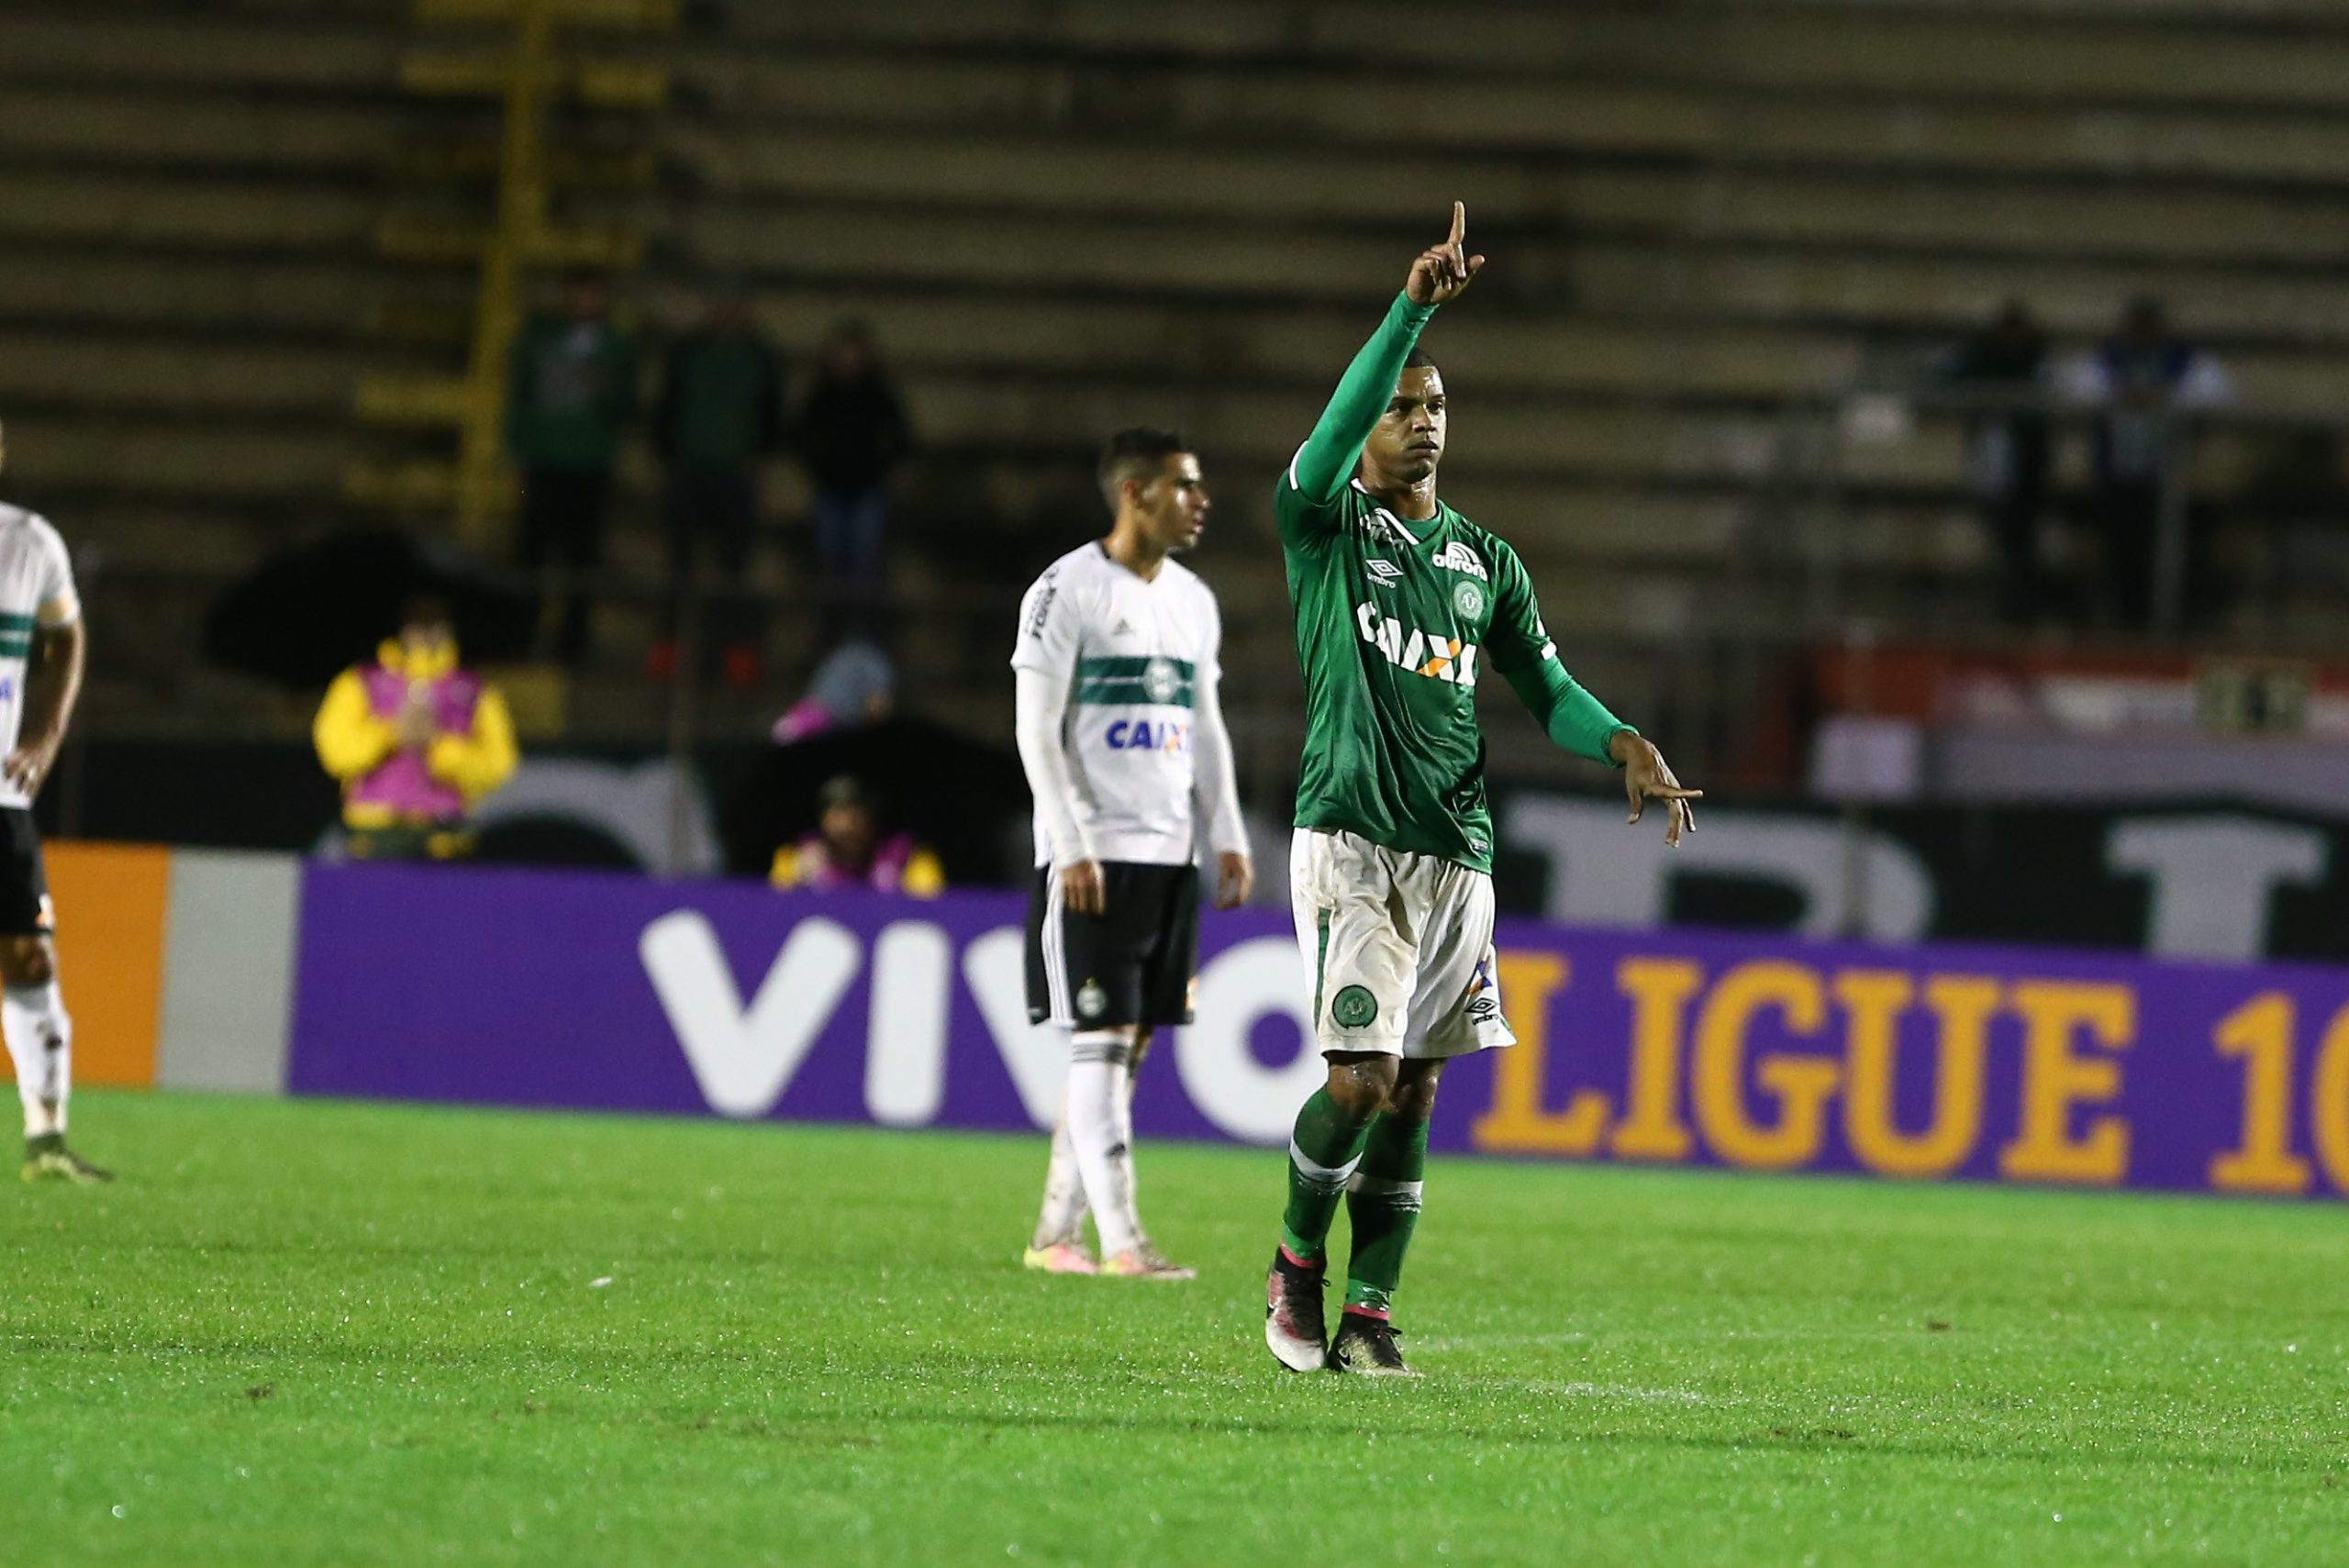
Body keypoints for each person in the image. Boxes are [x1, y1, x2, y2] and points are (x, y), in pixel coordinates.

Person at [1262, 206, 1698, 1376]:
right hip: (1350, 835)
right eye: (1402, 408)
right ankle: (1295, 1258)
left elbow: (1543, 684)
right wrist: (1410, 310)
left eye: (1436, 405)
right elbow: (1331, 430)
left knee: (1412, 1096)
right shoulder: (1322, 525)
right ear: (1365, 429)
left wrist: (1620, 742)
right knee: (1358, 1080)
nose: (1420, 423)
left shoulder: (1484, 562)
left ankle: (1370, 1313)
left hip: (1456, 853)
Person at [1012, 428, 1252, 1281]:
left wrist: (1223, 829)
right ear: (1134, 493)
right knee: (1101, 1041)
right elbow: (1035, 731)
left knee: (1130, 1044)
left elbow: (1206, 726)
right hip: (1093, 853)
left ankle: (1053, 1232)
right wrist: (1070, 843)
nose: (1202, 500)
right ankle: (1124, 1242)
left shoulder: (1192, 599)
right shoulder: (1063, 591)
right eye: (1185, 486)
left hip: (1167, 851)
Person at [0, 418, 106, 1183]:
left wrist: (44, 733)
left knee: (31, 952)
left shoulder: (31, 543)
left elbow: (68, 637)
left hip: (0, 796)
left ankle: (46, 1138)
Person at [2063, 297, 2232, 629]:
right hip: (2118, 472)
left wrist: (2162, 397)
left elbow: (2218, 394)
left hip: (2169, 476)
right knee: (2122, 549)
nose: (2142, 334)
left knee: (2169, 547)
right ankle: (2126, 615)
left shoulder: (2184, 361)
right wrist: (2122, 395)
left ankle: (2169, 618)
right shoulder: (2107, 359)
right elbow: (2076, 388)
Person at [650, 282, 786, 688]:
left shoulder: (762, 357)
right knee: (680, 569)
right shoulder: (687, 352)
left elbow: (772, 416)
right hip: (689, 472)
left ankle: (732, 655)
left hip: (736, 476)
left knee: (734, 571)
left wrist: (758, 461)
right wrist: (667, 455)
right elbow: (667, 407)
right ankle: (671, 653)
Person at [312, 596, 519, 861]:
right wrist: (392, 733)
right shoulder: (360, 683)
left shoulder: (474, 691)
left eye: (436, 625)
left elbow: (499, 766)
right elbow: (336, 753)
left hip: (445, 834)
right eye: (418, 624)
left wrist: (439, 745)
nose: (426, 633)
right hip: (374, 832)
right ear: (401, 628)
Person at [507, 272, 640, 664]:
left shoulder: (617, 347)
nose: (584, 301)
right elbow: (521, 399)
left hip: (590, 466)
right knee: (531, 551)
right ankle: (520, 634)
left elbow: (625, 407)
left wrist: (603, 389)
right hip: (542, 463)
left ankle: (574, 641)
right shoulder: (539, 338)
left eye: (593, 293)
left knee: (582, 555)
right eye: (577, 292)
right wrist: (517, 452)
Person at [794, 319, 912, 626]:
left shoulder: (877, 394)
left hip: (866, 492)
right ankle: (832, 629)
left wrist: (878, 468)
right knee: (830, 564)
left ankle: (863, 628)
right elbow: (801, 434)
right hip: (831, 490)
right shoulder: (823, 394)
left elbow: (902, 438)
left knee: (865, 565)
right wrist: (820, 465)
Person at [1945, 301, 2053, 626]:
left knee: (2020, 539)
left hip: (2026, 467)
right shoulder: (1980, 359)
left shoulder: (2038, 362)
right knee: (1998, 535)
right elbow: (1945, 373)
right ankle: (2002, 600)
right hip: (1991, 456)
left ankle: (2019, 605)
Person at [768, 774, 943, 896]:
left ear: (872, 819)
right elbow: (773, 904)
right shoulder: (797, 857)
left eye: (855, 817)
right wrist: (798, 881)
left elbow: (930, 902)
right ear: (822, 820)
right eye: (837, 817)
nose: (846, 827)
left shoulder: (905, 856)